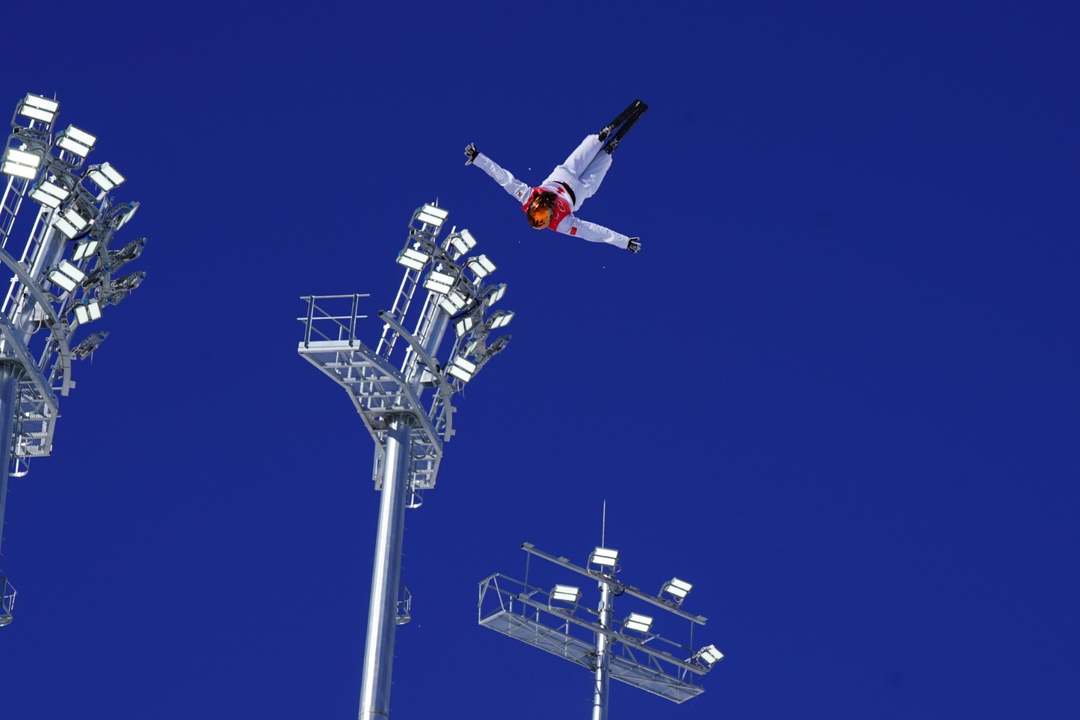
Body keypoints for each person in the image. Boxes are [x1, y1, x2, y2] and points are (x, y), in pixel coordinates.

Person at [464, 100, 648, 254]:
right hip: (582, 189)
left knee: (588, 148)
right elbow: (591, 231)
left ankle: (601, 136)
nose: (545, 216)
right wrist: (623, 241)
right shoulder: (560, 224)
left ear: (536, 207)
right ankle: (609, 149)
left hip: (566, 173)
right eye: (544, 218)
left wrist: (478, 158)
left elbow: (503, 178)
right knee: (603, 159)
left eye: (541, 214)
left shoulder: (527, 196)